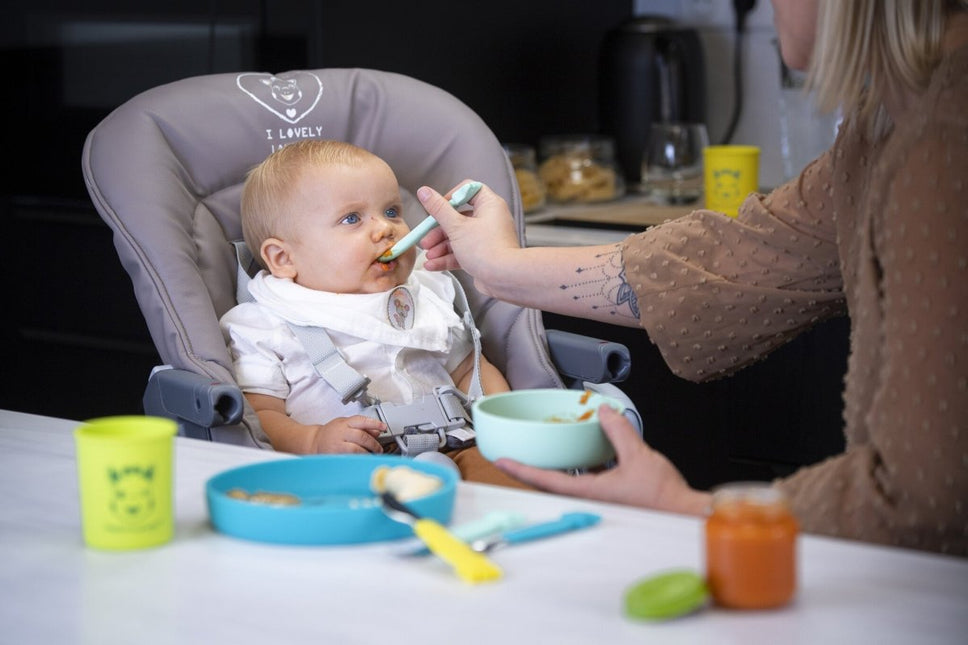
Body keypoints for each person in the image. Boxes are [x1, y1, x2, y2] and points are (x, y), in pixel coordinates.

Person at [416, 0, 968, 555]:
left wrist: (687, 510)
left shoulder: (943, 140)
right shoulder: (890, 120)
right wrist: (499, 267)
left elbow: (924, 498)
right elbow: (739, 256)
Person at [220, 139, 526, 488]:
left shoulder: (424, 292)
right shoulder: (267, 324)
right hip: (344, 468)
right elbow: (259, 415)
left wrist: (506, 424)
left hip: (457, 446)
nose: (386, 228)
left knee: (517, 479)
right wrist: (313, 441)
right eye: (352, 218)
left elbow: (470, 369)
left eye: (392, 211)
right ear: (283, 258)